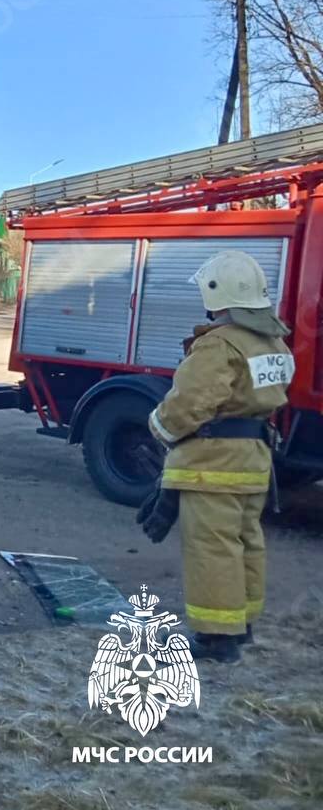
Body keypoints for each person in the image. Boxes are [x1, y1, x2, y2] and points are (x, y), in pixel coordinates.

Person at [139, 250, 293, 663]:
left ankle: (215, 637)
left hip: (213, 464)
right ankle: (240, 624)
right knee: (245, 541)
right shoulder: (274, 340)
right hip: (255, 459)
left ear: (216, 294)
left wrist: (158, 428)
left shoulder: (219, 345)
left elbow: (190, 403)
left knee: (212, 546)